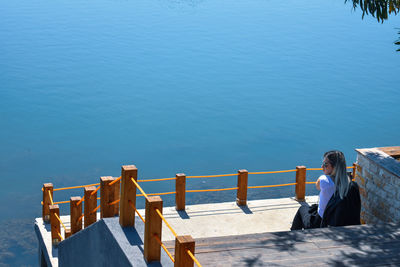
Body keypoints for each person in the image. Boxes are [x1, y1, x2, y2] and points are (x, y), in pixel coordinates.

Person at [291, 150, 358, 230]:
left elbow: (317, 186)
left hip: (319, 223)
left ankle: (293, 234)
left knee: (302, 208)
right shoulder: (350, 185)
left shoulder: (324, 181)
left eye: (325, 165)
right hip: (338, 223)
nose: (322, 167)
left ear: (335, 167)